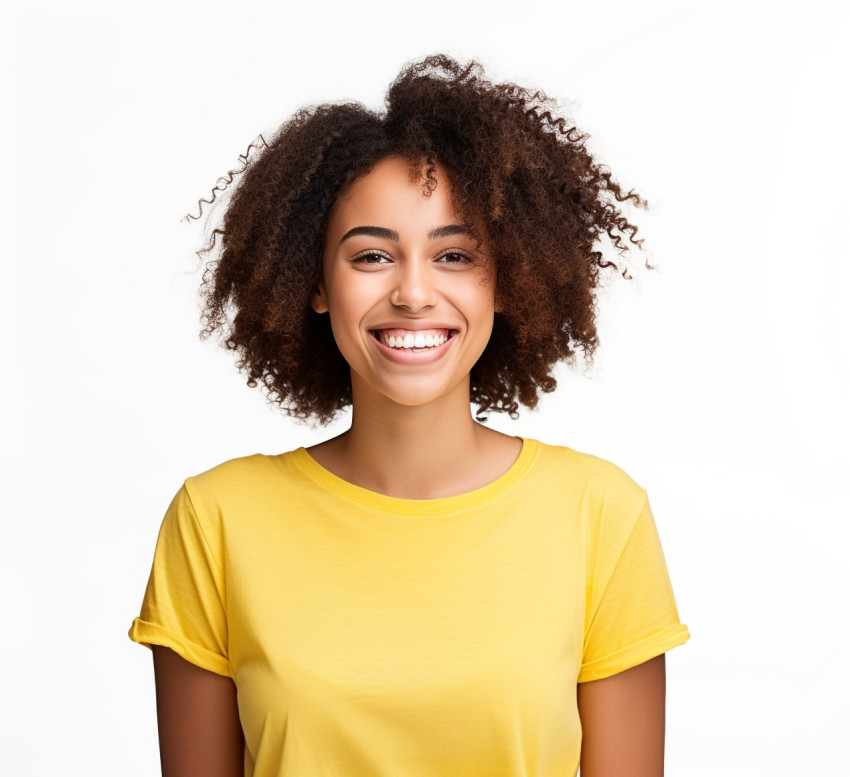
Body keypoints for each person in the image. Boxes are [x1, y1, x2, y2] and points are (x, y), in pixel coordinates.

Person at [129, 54, 689, 777]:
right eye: (371, 257)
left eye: (454, 254)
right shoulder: (216, 520)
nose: (414, 292)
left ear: (508, 278)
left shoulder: (600, 515)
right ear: (316, 284)